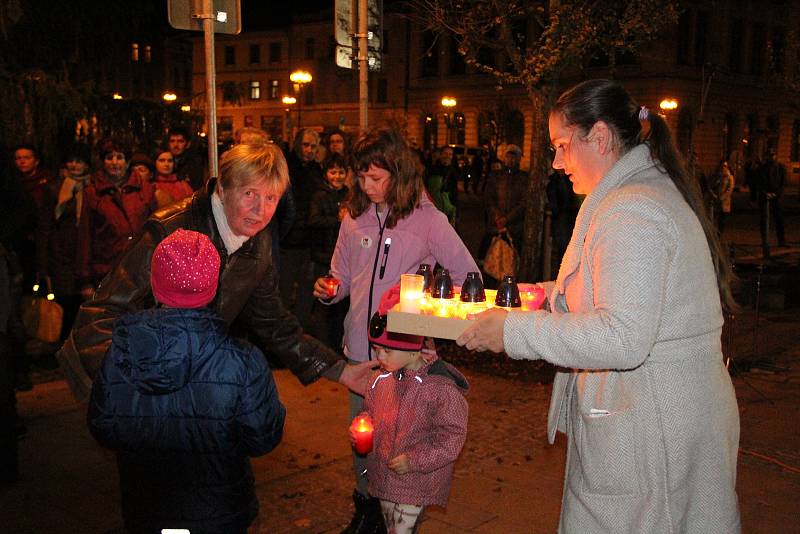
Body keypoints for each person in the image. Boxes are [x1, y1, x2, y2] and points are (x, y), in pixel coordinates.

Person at [457, 79, 740, 533]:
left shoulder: (633, 211)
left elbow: (623, 336)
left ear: (601, 137)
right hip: (660, 420)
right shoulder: (635, 196)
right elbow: (619, 289)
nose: (555, 162)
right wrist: (548, 296)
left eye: (562, 146)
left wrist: (512, 331)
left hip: (653, 435)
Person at [58, 142, 375, 404]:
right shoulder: (170, 228)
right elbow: (100, 315)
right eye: (249, 193)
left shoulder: (258, 240)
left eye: (271, 198)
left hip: (193, 381)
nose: (260, 210)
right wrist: (132, 392)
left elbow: (273, 322)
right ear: (223, 188)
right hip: (146, 381)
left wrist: (340, 371)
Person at [312, 127, 478, 534]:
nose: (367, 186)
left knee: (403, 441)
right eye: (362, 176)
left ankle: (400, 519)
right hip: (360, 353)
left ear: (398, 172)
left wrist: (427, 324)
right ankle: (368, 509)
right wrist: (329, 291)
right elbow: (342, 277)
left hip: (408, 357)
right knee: (364, 436)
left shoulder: (428, 220)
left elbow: (467, 278)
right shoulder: (352, 217)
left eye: (376, 177)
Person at [88, 228, 286, 533]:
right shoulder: (242, 360)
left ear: (154, 285)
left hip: (148, 513)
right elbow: (262, 437)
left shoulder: (121, 354)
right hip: (222, 514)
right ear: (212, 286)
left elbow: (104, 427)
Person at [354, 285, 468, 534]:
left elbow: (451, 437)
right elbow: (369, 412)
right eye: (376, 349)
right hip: (384, 476)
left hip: (416, 480)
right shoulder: (380, 379)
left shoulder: (439, 388)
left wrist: (415, 460)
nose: (380, 356)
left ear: (413, 349)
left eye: (387, 350)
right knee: (391, 528)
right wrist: (362, 424)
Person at [76, 138, 155, 297]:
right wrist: (85, 279)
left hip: (141, 268)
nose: (114, 162)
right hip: (107, 270)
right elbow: (85, 235)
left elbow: (155, 228)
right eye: (109, 157)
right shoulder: (92, 193)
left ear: (127, 162)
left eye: (119, 157)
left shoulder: (145, 190)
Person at [40, 144, 93, 341]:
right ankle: (64, 344)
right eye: (71, 161)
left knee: (84, 303)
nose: (74, 165)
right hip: (61, 255)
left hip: (84, 251)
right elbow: (45, 225)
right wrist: (44, 261)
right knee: (66, 302)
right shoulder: (55, 188)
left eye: (78, 161)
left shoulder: (92, 188)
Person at [280, 128, 324, 331]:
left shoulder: (317, 170)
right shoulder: (287, 168)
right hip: (288, 242)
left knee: (307, 291)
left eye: (313, 146)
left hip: (309, 242)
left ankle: (300, 332)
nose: (309, 150)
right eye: (305, 145)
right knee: (284, 290)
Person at [308, 153, 350, 349]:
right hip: (323, 256)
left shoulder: (349, 194)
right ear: (326, 174)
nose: (337, 176)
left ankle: (337, 344)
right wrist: (336, 219)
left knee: (341, 305)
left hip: (343, 258)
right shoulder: (319, 195)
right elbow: (313, 220)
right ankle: (322, 346)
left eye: (341, 172)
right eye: (333, 172)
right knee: (323, 303)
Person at [757, 150, 786, 257]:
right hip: (765, 196)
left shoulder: (780, 168)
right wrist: (765, 193)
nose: (771, 157)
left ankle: (781, 240)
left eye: (773, 155)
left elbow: (783, 183)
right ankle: (765, 240)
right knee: (764, 219)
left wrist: (775, 194)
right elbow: (759, 183)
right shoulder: (762, 168)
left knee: (779, 218)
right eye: (770, 155)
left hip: (776, 196)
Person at [167, 126, 206, 190]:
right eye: (172, 141)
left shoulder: (194, 164)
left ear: (188, 144)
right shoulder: (163, 161)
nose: (176, 145)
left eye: (180, 141)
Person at [715, 160, 735, 235]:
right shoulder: (721, 176)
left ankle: (720, 232)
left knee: (723, 217)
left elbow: (730, 189)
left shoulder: (730, 177)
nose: (723, 168)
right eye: (722, 166)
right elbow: (718, 186)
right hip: (719, 200)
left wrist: (723, 197)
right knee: (719, 217)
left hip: (725, 201)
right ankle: (719, 231)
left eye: (725, 166)